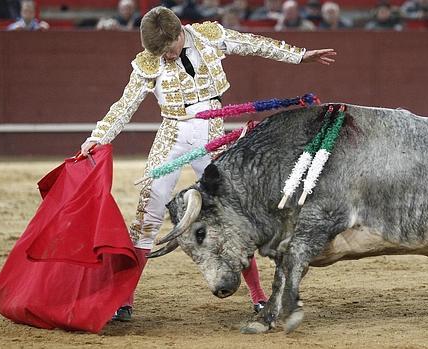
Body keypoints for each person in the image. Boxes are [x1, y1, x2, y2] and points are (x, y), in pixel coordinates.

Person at [79, 6, 336, 322]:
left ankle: (257, 297)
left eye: (169, 50)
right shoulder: (149, 62)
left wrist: (299, 56)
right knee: (148, 213)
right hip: (172, 134)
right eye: (159, 53)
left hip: (213, 134)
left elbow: (253, 43)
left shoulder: (208, 36)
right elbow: (124, 106)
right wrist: (97, 138)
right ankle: (123, 301)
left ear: (179, 33)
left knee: (233, 213)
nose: (166, 57)